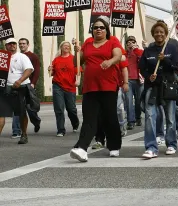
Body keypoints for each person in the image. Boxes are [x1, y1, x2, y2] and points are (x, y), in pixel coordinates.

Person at [70, 16, 123, 162]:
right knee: (89, 118)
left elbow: (118, 56)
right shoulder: (87, 43)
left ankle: (114, 146)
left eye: (101, 27)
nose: (98, 29)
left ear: (106, 30)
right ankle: (81, 148)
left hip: (108, 85)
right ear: (92, 31)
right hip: (90, 87)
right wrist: (76, 52)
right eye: (95, 27)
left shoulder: (113, 41)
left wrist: (110, 61)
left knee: (109, 117)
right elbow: (77, 62)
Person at [140, 21, 178, 158]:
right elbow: (142, 68)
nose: (159, 34)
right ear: (153, 34)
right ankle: (151, 146)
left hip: (168, 86)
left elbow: (176, 66)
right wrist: (148, 76)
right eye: (156, 32)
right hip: (152, 87)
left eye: (161, 32)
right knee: (150, 116)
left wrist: (165, 60)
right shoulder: (148, 50)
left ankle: (171, 144)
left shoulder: (171, 48)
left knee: (170, 117)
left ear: (165, 34)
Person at [0, 38, 33, 144]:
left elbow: (29, 69)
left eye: (14, 44)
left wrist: (20, 81)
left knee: (21, 113)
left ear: (16, 45)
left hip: (20, 88)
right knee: (1, 113)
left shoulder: (22, 57)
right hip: (5, 88)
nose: (12, 45)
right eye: (9, 44)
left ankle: (24, 134)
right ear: (6, 46)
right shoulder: (2, 57)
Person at [48, 41, 80, 136]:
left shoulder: (74, 59)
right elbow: (52, 73)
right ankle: (61, 130)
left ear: (70, 48)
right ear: (61, 47)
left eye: (68, 46)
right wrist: (50, 69)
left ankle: (75, 123)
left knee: (71, 109)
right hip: (58, 86)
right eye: (64, 46)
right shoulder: (56, 60)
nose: (66, 47)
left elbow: (78, 71)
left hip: (70, 87)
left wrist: (78, 80)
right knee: (59, 108)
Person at [11, 38, 42, 136]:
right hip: (16, 87)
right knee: (18, 109)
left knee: (30, 109)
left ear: (28, 45)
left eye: (24, 43)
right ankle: (16, 131)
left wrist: (33, 83)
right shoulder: (15, 56)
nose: (22, 45)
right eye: (20, 44)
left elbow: (36, 71)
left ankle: (36, 122)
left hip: (28, 86)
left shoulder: (33, 56)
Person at [124, 36, 143, 130]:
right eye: (128, 42)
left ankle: (138, 117)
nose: (130, 44)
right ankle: (130, 121)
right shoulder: (124, 54)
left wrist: (135, 49)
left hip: (138, 80)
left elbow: (143, 60)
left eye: (132, 42)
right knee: (128, 101)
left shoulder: (139, 52)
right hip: (128, 80)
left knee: (139, 100)